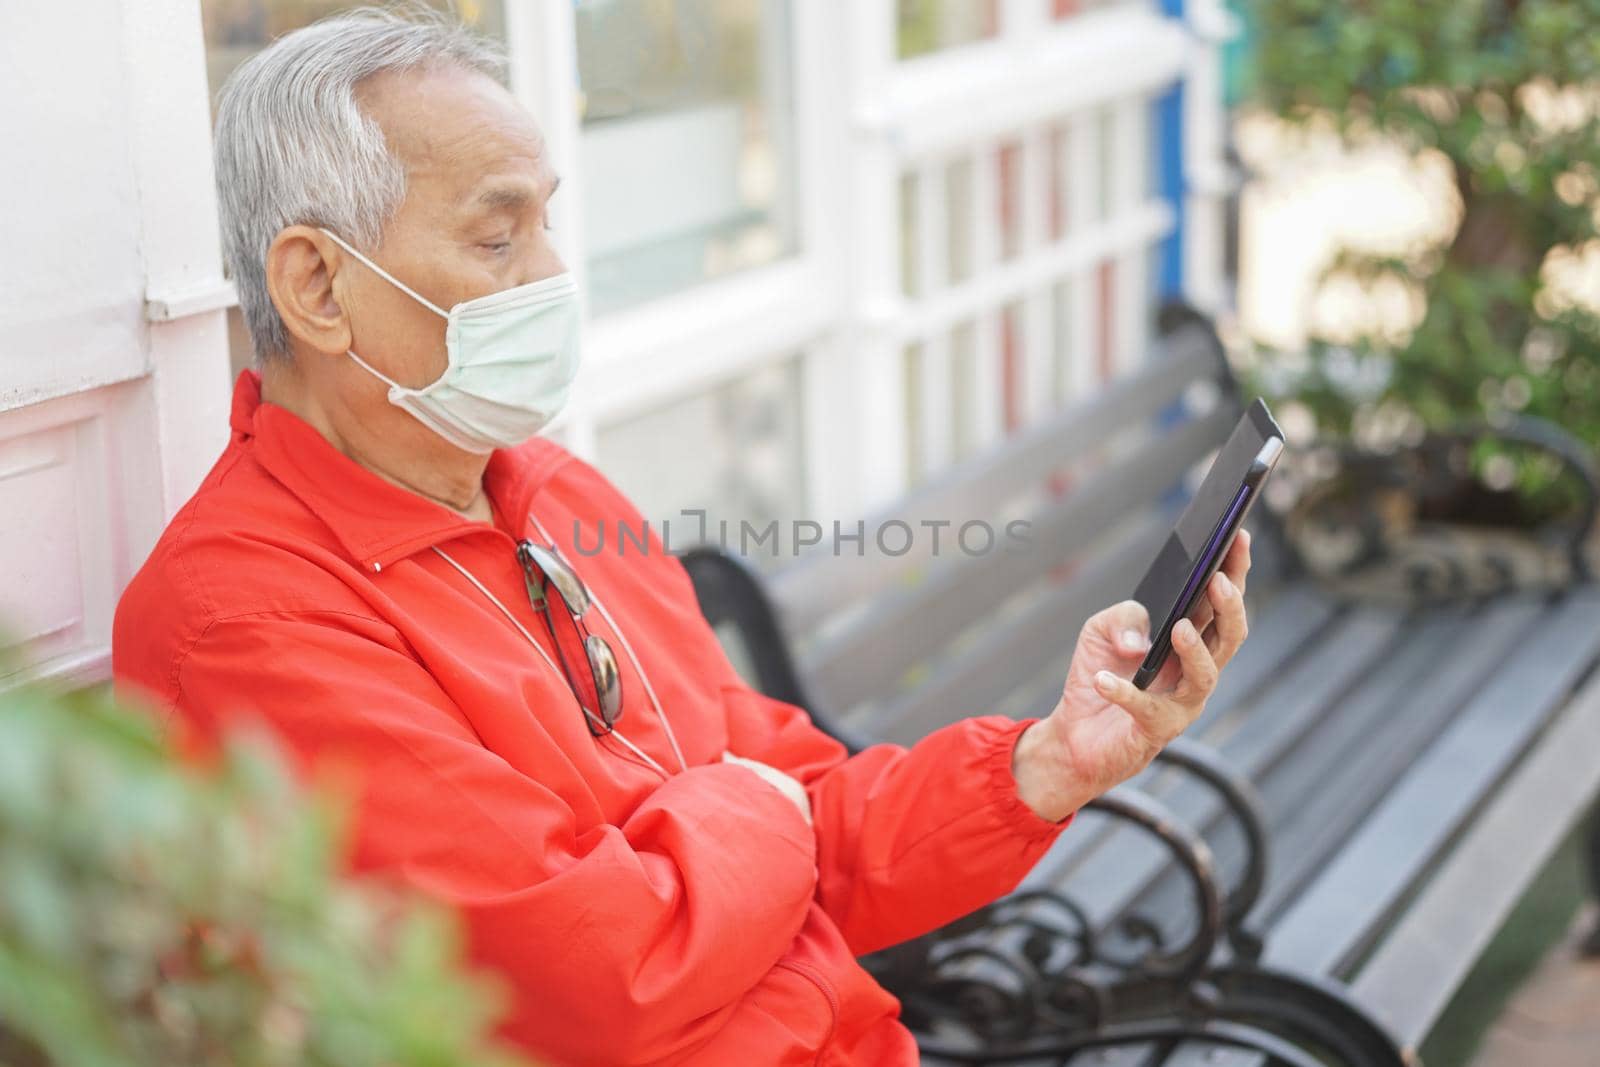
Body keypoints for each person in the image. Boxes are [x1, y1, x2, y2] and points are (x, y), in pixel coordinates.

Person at [112, 8, 1251, 1065]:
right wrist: (751, 814)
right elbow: (604, 969)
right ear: (317, 286)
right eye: (496, 239)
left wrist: (1044, 762)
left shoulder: (558, 495)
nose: (553, 277)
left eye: (544, 224)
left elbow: (819, 818)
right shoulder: (240, 619)